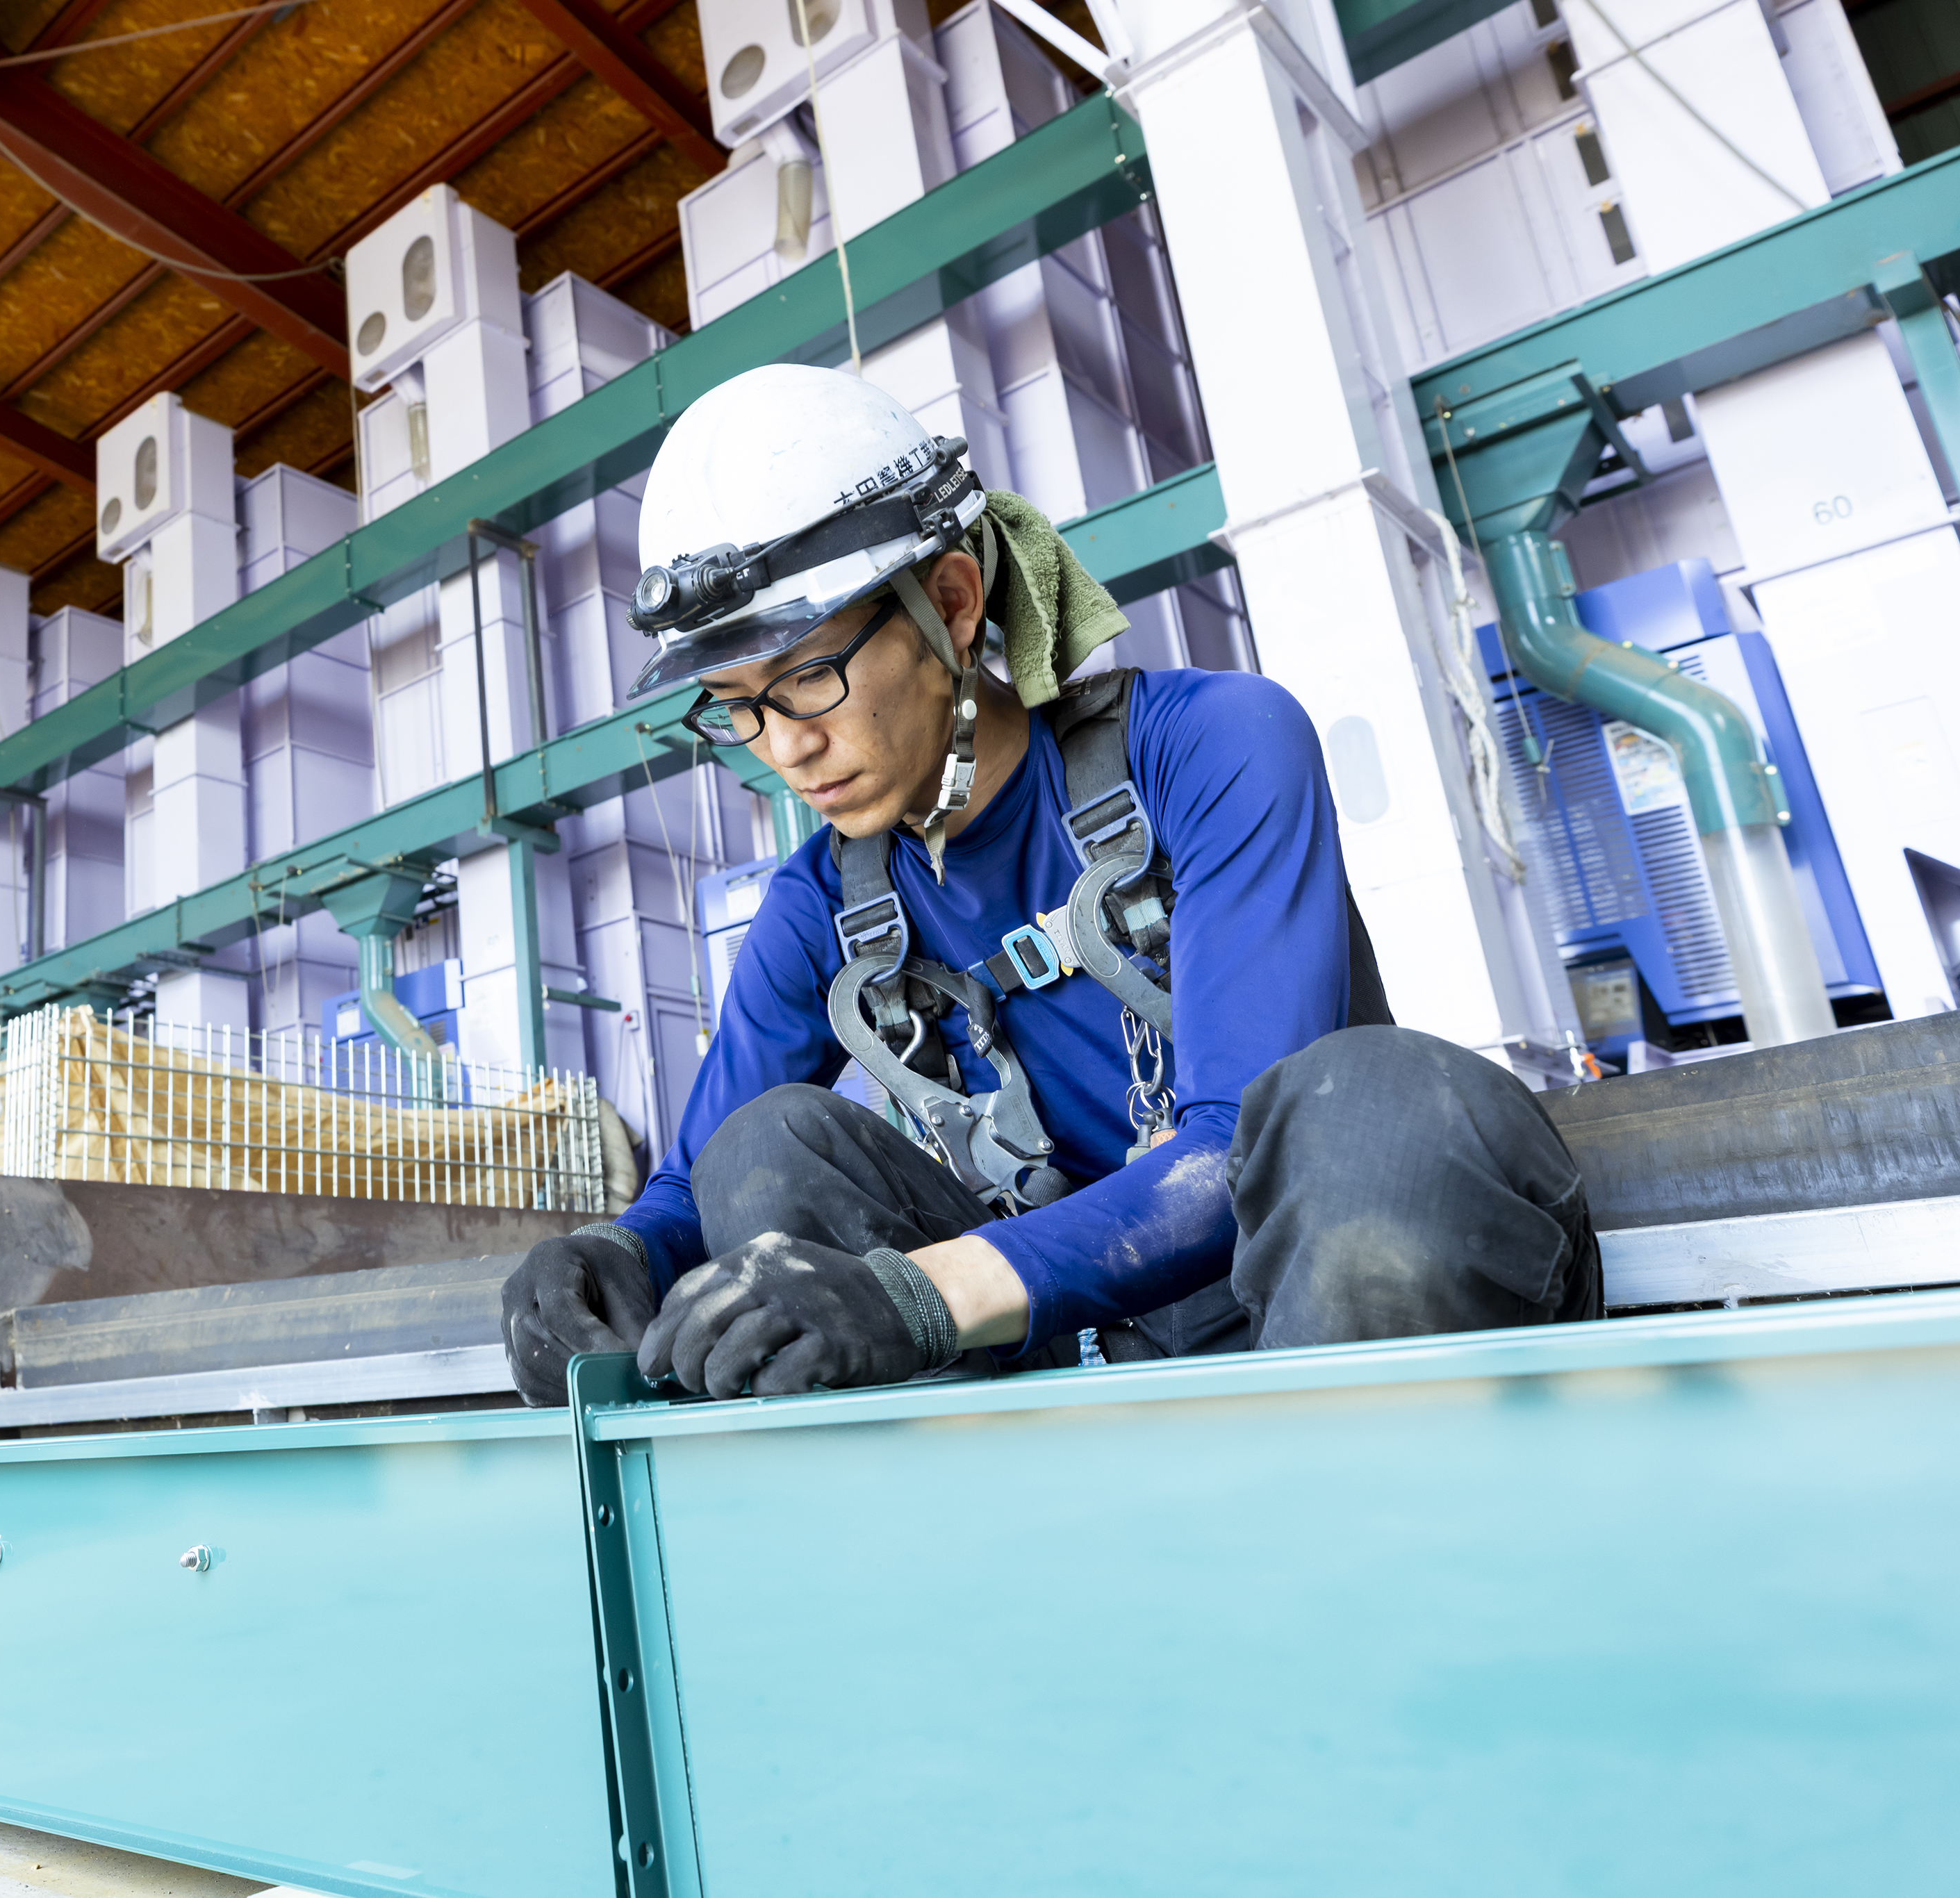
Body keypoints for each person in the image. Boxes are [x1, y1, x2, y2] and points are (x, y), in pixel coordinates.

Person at [500, 364, 1600, 1407]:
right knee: (770, 1149)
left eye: (806, 676)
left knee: (1379, 1100)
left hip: (1318, 1294)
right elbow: (694, 1190)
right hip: (1073, 1331)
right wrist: (606, 1258)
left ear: (954, 596)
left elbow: (1227, 1153)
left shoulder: (1210, 745)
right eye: (738, 705)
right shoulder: (820, 905)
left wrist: (916, 1296)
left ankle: (1347, 1549)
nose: (782, 747)